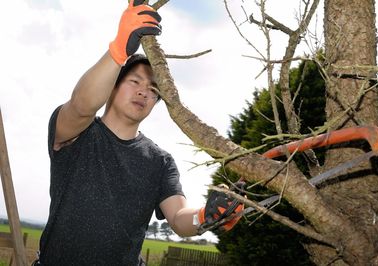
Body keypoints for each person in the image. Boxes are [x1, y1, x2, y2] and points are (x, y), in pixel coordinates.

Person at [36, 1, 243, 265]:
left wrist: (205, 216)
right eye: (135, 81)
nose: (144, 92)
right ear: (112, 86)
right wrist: (119, 48)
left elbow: (180, 219)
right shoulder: (78, 133)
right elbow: (80, 104)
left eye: (153, 90)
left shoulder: (160, 161)